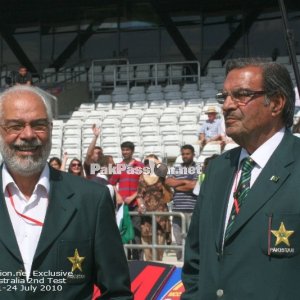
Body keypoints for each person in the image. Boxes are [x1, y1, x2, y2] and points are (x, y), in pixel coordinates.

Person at [182, 57, 300, 300]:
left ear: (276, 103)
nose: (227, 106)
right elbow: (195, 259)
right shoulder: (217, 170)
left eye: (241, 95)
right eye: (223, 96)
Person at [0, 85, 132, 299]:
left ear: (51, 129)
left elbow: (117, 292)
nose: (28, 135)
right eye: (15, 126)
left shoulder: (92, 200)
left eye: (39, 125)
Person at [109, 141, 144, 260]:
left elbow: (143, 184)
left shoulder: (140, 166)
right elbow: (112, 183)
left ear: (132, 151)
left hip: (135, 204)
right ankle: (125, 259)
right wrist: (118, 196)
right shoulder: (119, 166)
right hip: (122, 206)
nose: (125, 152)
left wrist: (133, 196)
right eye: (123, 150)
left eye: (127, 150)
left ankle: (138, 259)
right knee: (123, 232)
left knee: (136, 232)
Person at [136, 155, 172, 261]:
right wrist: (141, 205)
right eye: (147, 162)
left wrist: (155, 160)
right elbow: (139, 195)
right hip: (146, 216)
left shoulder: (161, 175)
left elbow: (164, 169)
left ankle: (159, 271)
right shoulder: (142, 177)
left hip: (160, 215)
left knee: (159, 249)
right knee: (147, 249)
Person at [165, 145, 198, 261]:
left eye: (187, 154)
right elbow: (168, 182)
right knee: (178, 240)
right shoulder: (177, 169)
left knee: (192, 239)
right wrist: (185, 182)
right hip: (177, 210)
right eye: (183, 154)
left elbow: (195, 186)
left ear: (193, 154)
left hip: (192, 210)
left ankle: (192, 262)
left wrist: (178, 184)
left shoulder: (198, 169)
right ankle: (179, 263)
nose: (185, 156)